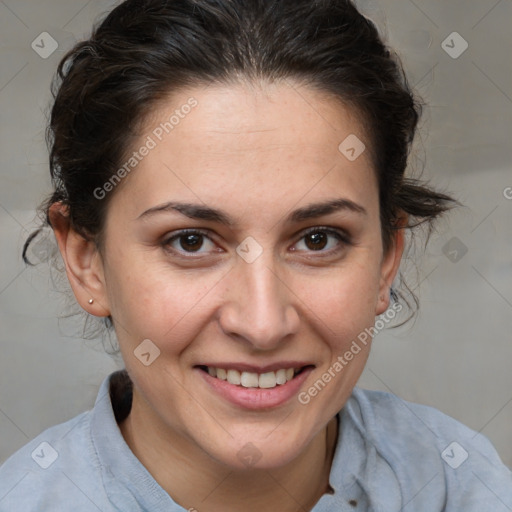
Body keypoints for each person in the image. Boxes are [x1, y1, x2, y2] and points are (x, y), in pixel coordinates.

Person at [1, 0, 511, 510]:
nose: (263, 324)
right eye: (191, 241)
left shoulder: (461, 484)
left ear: (386, 260)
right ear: (87, 261)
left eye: (318, 239)